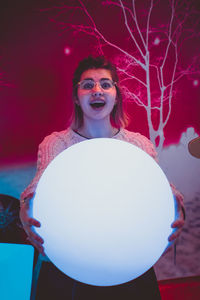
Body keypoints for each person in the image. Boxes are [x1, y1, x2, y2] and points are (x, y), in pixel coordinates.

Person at [20, 56, 185, 299]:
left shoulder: (138, 144)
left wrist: (178, 209)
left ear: (116, 95)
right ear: (77, 97)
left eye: (105, 84)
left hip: (128, 265)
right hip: (70, 268)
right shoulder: (57, 144)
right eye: (87, 85)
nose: (97, 90)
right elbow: (39, 188)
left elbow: (162, 190)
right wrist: (26, 207)